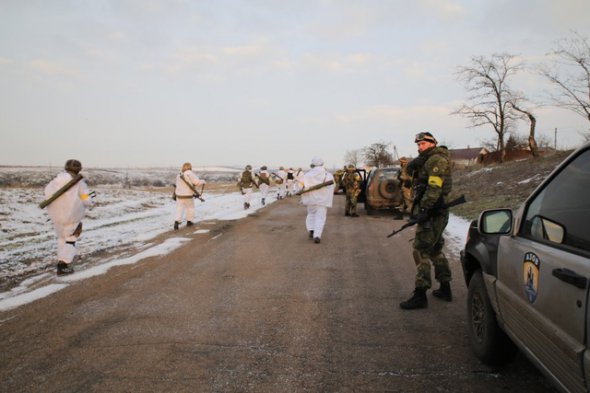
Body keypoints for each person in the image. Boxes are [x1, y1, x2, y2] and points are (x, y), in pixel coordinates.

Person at [400, 132, 453, 310]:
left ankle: (420, 294)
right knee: (435, 249)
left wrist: (424, 209)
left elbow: (434, 187)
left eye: (423, 144)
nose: (419, 147)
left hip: (432, 212)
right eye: (418, 144)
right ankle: (445, 288)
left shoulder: (436, 160)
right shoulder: (427, 159)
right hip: (434, 211)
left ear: (432, 143)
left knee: (420, 250)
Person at [44, 159, 93, 275]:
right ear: (79, 169)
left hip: (56, 217)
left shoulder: (55, 181)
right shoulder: (80, 183)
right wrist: (87, 200)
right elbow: (87, 200)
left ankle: (61, 261)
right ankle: (63, 265)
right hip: (72, 216)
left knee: (61, 238)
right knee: (70, 239)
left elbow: (47, 194)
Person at [298, 157, 335, 244]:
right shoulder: (328, 175)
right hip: (322, 201)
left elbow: (301, 186)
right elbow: (332, 187)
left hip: (310, 200)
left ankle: (311, 230)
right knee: (320, 218)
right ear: (322, 164)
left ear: (312, 164)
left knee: (311, 214)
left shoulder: (307, 175)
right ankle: (317, 235)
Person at [174, 162, 205, 230]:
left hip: (179, 195)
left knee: (179, 208)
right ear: (190, 167)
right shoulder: (189, 173)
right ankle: (189, 221)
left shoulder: (179, 175)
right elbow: (197, 182)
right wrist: (203, 181)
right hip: (188, 195)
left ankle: (176, 222)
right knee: (190, 208)